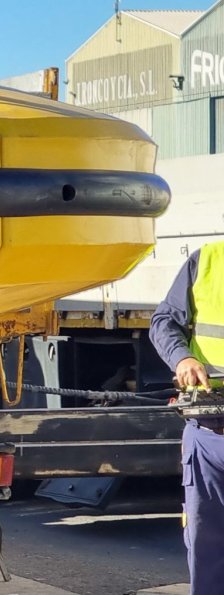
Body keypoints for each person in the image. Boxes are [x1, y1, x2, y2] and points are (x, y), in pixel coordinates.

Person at [152, 241, 224, 593]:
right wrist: (182, 359)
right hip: (208, 434)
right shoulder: (208, 260)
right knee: (205, 548)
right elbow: (163, 321)